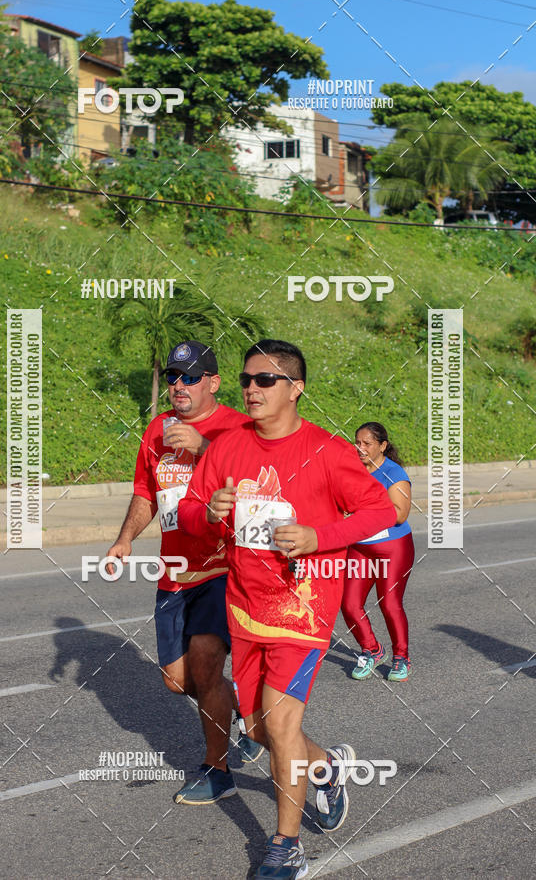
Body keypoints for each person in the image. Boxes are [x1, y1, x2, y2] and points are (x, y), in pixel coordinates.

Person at [179, 339, 397, 879]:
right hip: (245, 606)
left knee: (278, 726)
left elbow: (380, 510)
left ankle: (286, 847)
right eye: (247, 380)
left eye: (266, 380)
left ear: (295, 388)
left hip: (303, 610)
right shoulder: (228, 446)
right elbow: (186, 512)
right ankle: (325, 768)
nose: (251, 389)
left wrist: (318, 535)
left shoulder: (327, 451)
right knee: (257, 729)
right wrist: (208, 510)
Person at [106, 340, 262, 806]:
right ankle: (246, 712)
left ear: (213, 383)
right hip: (175, 573)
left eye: (190, 377)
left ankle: (217, 770)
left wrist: (205, 446)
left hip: (224, 569)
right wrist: (125, 538)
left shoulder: (238, 426)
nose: (179, 386)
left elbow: (260, 478)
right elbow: (145, 493)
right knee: (177, 680)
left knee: (206, 668)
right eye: (173, 377)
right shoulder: (157, 429)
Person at [341, 422, 415, 682]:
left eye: (367, 444)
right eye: (357, 442)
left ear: (382, 446)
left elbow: (400, 514)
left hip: (392, 549)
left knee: (390, 604)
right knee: (349, 604)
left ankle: (401, 658)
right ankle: (372, 649)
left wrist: (361, 515)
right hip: (360, 548)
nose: (360, 448)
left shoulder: (394, 474)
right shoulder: (351, 469)